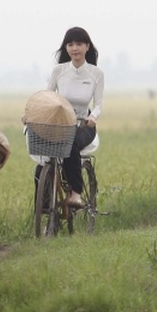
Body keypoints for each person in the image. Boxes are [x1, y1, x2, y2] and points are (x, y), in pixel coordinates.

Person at [45, 26, 104, 208]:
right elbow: (47, 97)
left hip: (84, 125)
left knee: (71, 144)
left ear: (87, 47)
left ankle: (76, 194)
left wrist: (92, 118)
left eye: (79, 44)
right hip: (61, 123)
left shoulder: (96, 73)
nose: (74, 48)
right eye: (70, 44)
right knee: (42, 162)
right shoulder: (59, 71)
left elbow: (99, 104)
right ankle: (46, 205)